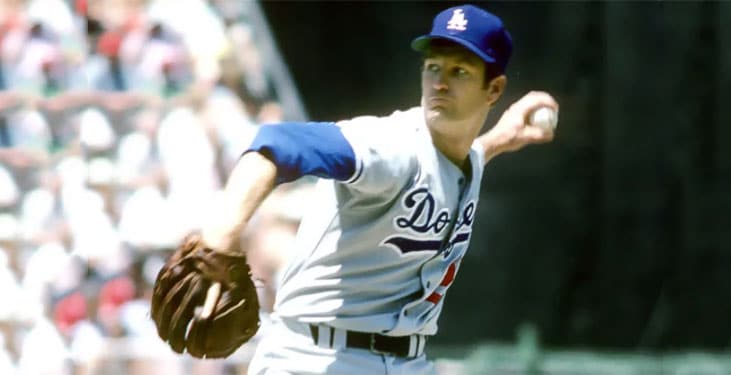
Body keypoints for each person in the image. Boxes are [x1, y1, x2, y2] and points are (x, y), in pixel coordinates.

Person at [198, 4, 558, 374]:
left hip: (407, 361)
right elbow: (277, 143)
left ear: (494, 90)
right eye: (433, 67)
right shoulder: (389, 146)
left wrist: (500, 138)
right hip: (316, 358)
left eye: (459, 71)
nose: (440, 82)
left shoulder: (464, 160)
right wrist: (221, 236)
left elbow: (455, 162)